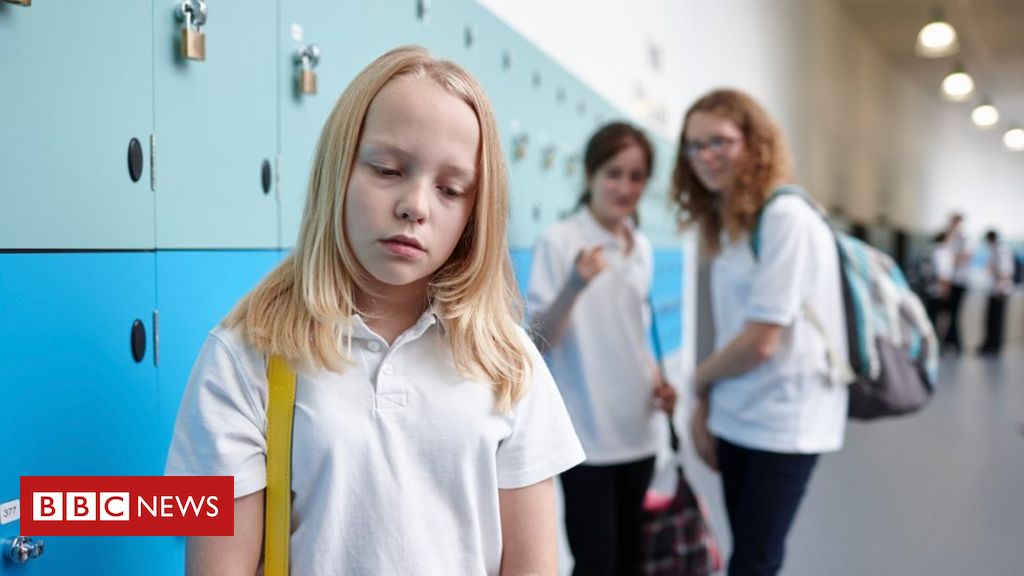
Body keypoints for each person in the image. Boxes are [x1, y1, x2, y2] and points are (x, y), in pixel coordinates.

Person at [164, 46, 584, 575]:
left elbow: (531, 565)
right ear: (338, 170)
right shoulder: (247, 355)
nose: (416, 206)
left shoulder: (506, 360)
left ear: (475, 214)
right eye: (387, 169)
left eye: (451, 189)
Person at [670, 89, 848, 576]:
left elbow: (760, 342)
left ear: (754, 143)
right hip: (739, 412)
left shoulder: (786, 218)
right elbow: (732, 331)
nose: (706, 156)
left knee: (754, 561)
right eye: (694, 145)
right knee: (747, 556)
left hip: (784, 420)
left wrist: (696, 383)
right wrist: (710, 407)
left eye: (720, 142)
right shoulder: (730, 223)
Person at [526, 122, 677, 575]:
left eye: (636, 176)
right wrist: (575, 283)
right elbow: (539, 340)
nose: (625, 187)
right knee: (595, 562)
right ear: (590, 174)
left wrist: (659, 382)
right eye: (614, 173)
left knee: (632, 559)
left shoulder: (641, 246)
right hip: (587, 436)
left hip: (641, 430)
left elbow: (637, 332)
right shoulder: (562, 240)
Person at [977, 229, 1015, 356]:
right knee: (990, 319)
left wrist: (1000, 289)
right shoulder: (994, 249)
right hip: (994, 290)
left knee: (996, 320)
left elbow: (1005, 272)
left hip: (1000, 291)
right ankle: (989, 343)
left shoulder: (1001, 250)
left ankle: (995, 346)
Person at [942, 213, 971, 354]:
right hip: (950, 280)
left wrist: (951, 261)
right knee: (949, 312)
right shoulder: (950, 236)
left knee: (954, 313)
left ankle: (955, 343)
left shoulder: (963, 236)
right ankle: (950, 340)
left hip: (959, 281)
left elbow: (966, 254)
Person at [922, 231, 954, 331]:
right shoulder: (939, 251)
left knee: (932, 312)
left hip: (931, 285)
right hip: (936, 287)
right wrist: (945, 287)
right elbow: (940, 271)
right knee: (934, 313)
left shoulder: (931, 249)